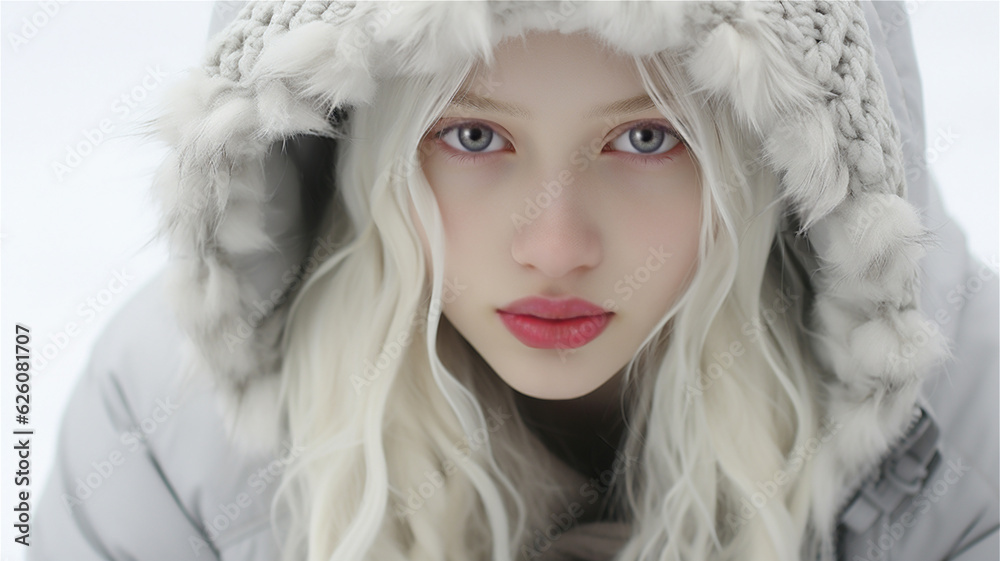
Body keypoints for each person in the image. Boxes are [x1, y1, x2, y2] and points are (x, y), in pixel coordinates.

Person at [30, 2, 998, 560]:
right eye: (472, 135)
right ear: (349, 145)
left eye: (646, 137)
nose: (555, 247)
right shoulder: (167, 425)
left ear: (773, 161)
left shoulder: (970, 427)